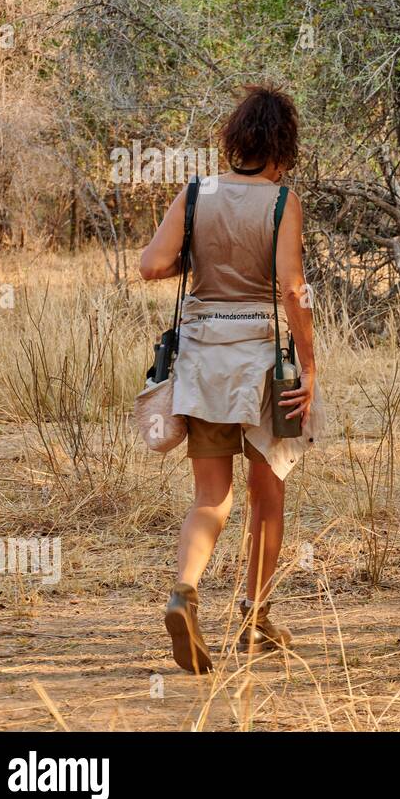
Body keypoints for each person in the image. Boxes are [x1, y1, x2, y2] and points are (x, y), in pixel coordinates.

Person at [139, 84, 318, 674]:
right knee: (268, 496)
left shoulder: (197, 192)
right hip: (265, 365)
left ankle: (184, 590)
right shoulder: (280, 200)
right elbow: (292, 290)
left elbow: (152, 265)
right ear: (282, 146)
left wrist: (201, 253)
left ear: (235, 139)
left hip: (202, 361)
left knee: (210, 498)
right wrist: (310, 367)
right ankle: (252, 615)